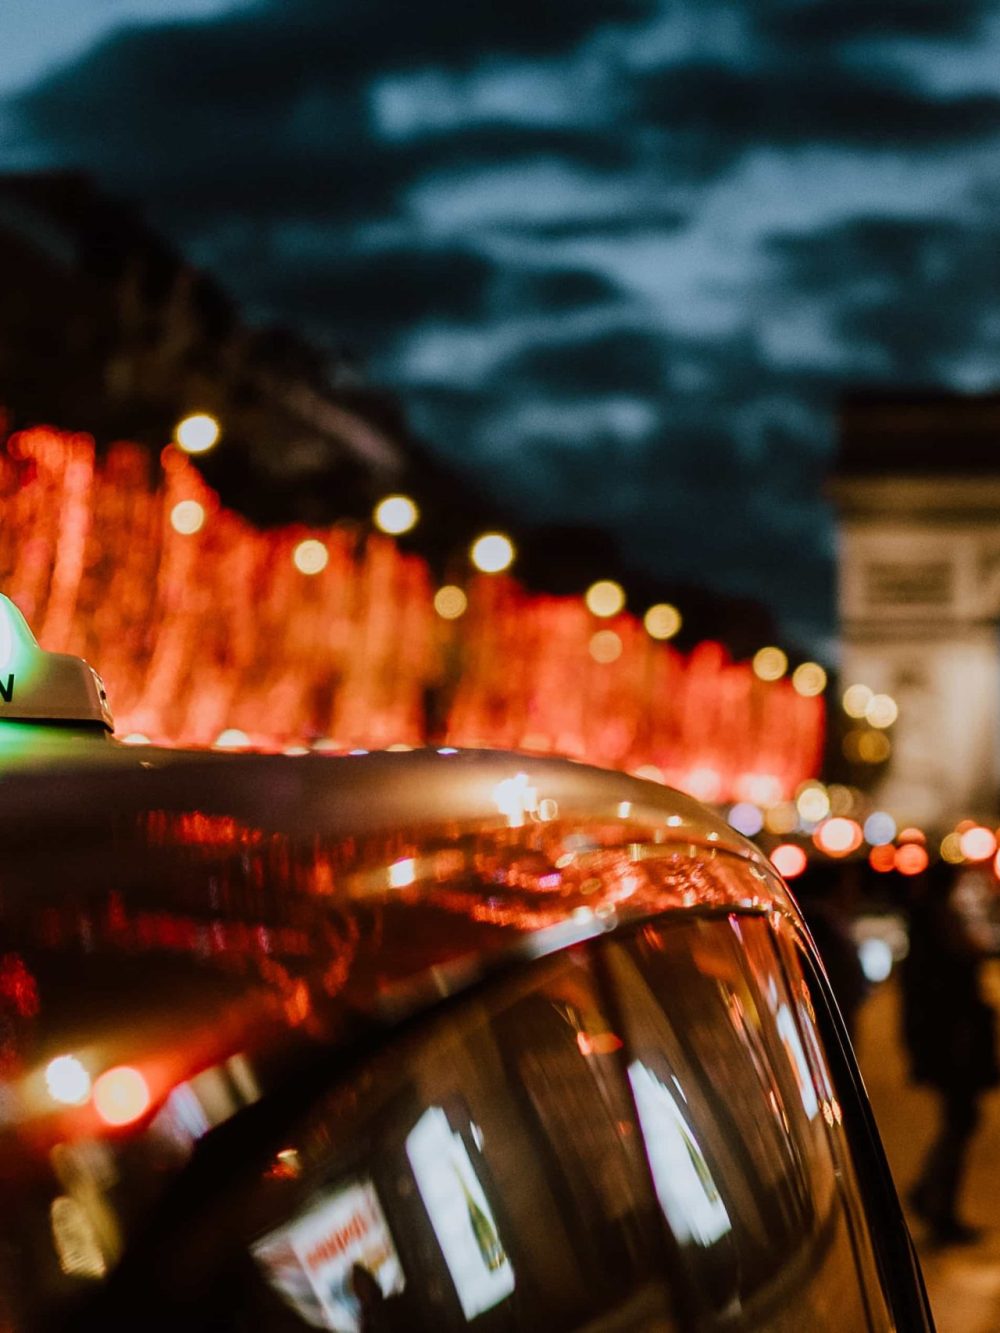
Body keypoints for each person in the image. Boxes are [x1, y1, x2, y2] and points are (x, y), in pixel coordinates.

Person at [899, 860, 999, 1246]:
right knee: (961, 1120)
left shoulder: (928, 920)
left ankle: (932, 1196)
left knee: (960, 1121)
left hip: (948, 1042)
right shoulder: (937, 923)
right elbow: (962, 963)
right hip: (954, 1045)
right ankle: (937, 1203)